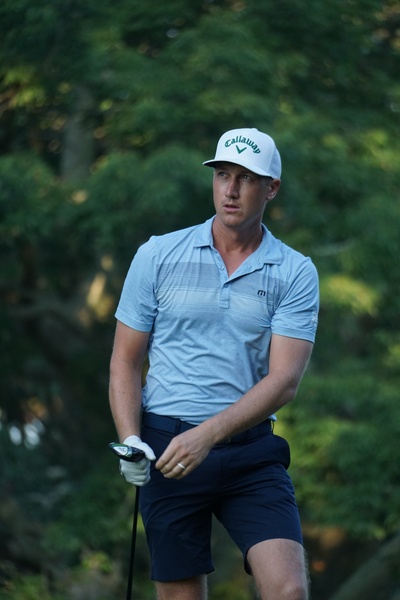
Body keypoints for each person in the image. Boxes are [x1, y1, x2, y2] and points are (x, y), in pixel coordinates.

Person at [109, 127, 319, 600]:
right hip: (166, 449)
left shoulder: (294, 271)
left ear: (271, 188)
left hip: (250, 452)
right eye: (223, 175)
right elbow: (125, 360)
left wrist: (206, 436)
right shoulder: (157, 254)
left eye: (246, 178)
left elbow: (285, 381)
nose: (231, 190)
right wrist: (131, 440)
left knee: (288, 590)